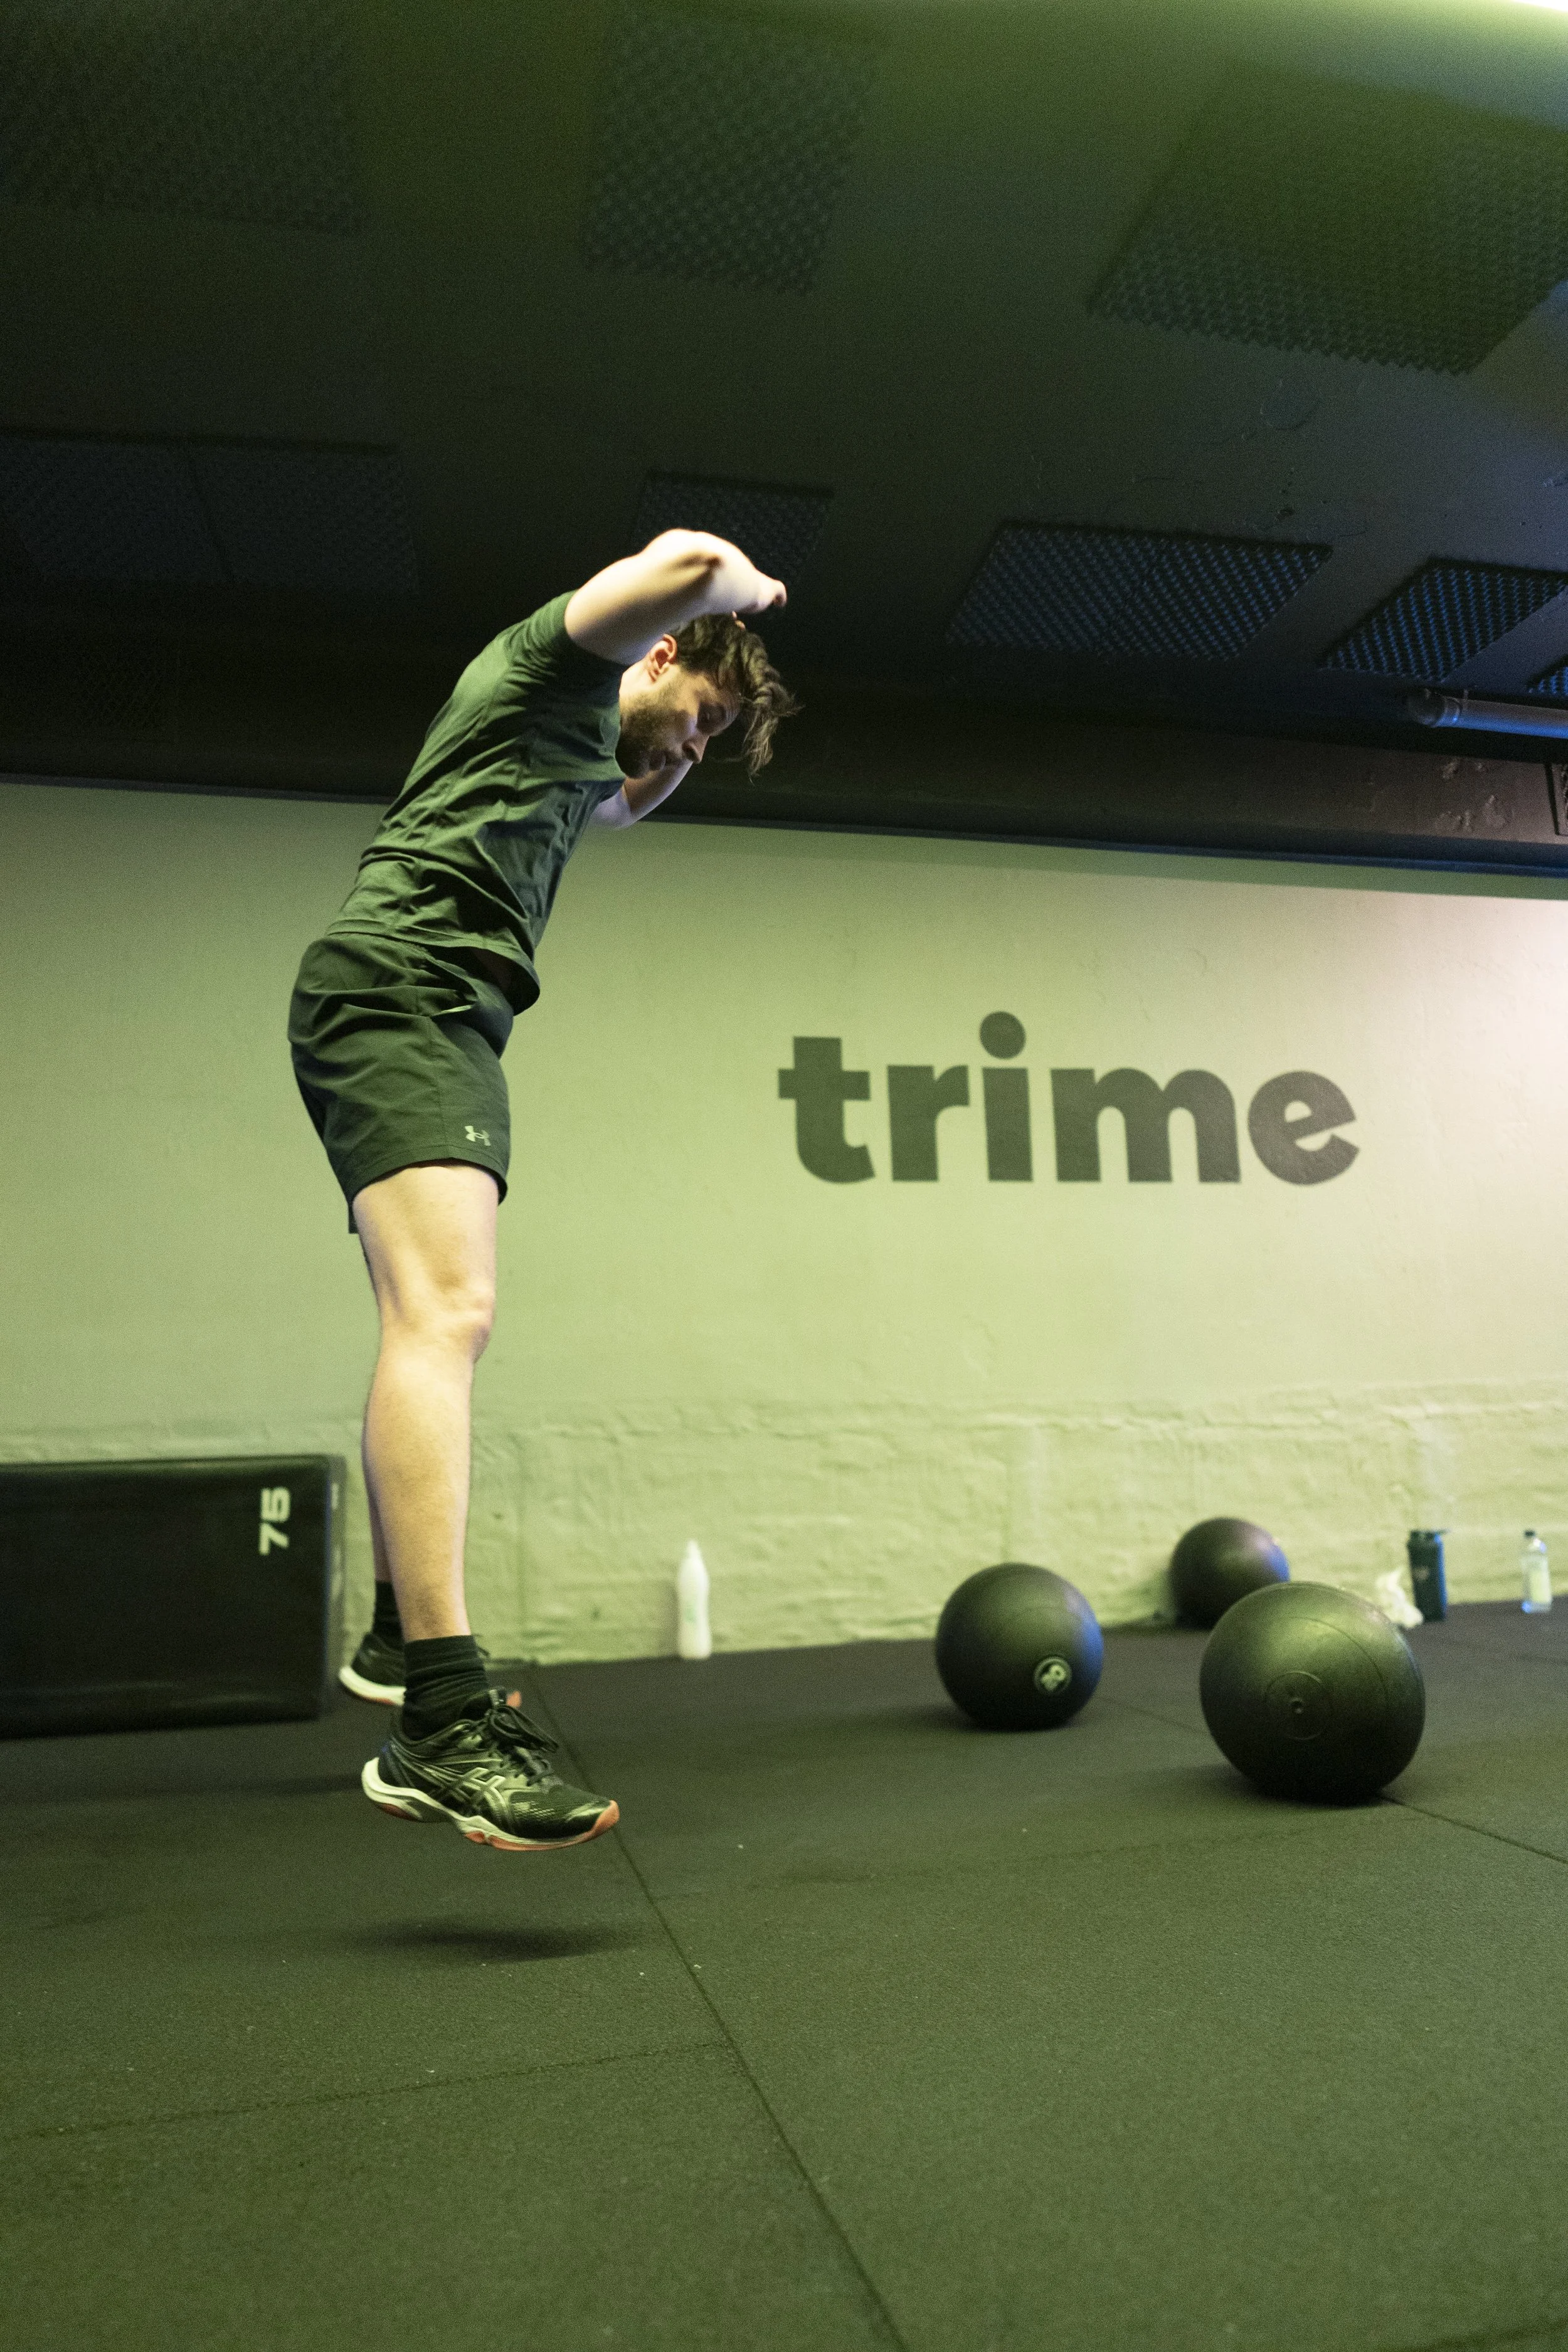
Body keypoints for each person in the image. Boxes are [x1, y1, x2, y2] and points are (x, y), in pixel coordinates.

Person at [287, 531, 797, 1852]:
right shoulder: (545, 673)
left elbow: (621, 800)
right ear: (663, 653)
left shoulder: (573, 762)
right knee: (446, 1317)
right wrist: (748, 596)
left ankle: (404, 1640)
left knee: (422, 1314)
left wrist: (675, 754)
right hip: (403, 994)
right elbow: (686, 559)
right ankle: (442, 1729)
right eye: (697, 718)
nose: (689, 749)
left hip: (430, 1009)